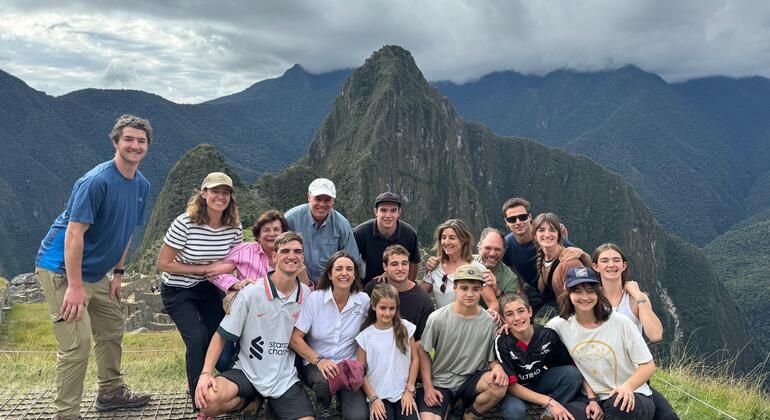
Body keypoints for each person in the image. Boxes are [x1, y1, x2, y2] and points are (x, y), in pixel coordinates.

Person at [35, 114, 153, 419]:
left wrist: (118, 274)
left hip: (96, 273)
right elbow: (74, 233)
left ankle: (111, 393)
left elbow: (125, 231)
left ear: (147, 146)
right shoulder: (96, 181)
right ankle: (67, 414)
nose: (135, 145)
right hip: (61, 269)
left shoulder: (141, 185)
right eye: (128, 139)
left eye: (141, 141)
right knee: (77, 344)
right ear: (115, 142)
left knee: (113, 326)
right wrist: (74, 287)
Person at [193, 232, 314, 419]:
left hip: (284, 377)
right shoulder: (252, 292)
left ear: (302, 258)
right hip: (247, 370)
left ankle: (267, 403)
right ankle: (251, 402)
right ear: (274, 257)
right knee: (207, 401)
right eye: (285, 251)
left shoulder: (306, 296)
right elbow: (221, 335)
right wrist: (206, 373)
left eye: (297, 251)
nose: (292, 256)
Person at [156, 172, 243, 409]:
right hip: (177, 289)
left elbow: (234, 260)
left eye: (226, 192)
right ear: (204, 194)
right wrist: (204, 269)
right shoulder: (185, 223)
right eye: (215, 191)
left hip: (208, 289)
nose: (220, 197)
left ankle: (228, 384)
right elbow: (163, 263)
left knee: (223, 335)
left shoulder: (234, 226)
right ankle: (198, 397)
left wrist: (233, 280)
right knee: (197, 338)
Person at [547, 267, 657, 420]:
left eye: (590, 291)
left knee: (619, 406)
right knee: (563, 416)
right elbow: (535, 339)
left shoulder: (619, 322)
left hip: (631, 395)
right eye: (577, 291)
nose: (585, 297)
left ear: (598, 292)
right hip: (589, 398)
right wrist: (508, 328)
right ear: (568, 293)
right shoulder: (559, 325)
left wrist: (628, 386)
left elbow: (648, 365)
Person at [592, 243, 679, 420]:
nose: (611, 265)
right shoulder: (590, 299)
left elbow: (655, 335)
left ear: (624, 266)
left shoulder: (634, 299)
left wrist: (639, 296)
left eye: (616, 260)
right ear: (595, 266)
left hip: (634, 377)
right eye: (605, 260)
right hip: (602, 375)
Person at [417, 264, 508, 420]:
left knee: (499, 385)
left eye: (475, 289)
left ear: (481, 290)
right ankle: (452, 404)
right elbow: (423, 351)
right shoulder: (438, 318)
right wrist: (428, 387)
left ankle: (469, 414)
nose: (470, 294)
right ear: (455, 287)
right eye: (464, 288)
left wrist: (498, 368)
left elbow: (491, 358)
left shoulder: (488, 321)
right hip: (442, 381)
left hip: (471, 380)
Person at [291, 251, 370, 420]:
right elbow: (295, 338)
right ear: (330, 274)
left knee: (358, 417)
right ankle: (323, 403)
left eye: (349, 269)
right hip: (317, 363)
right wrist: (319, 360)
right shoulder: (315, 299)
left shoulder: (363, 301)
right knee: (322, 383)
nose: (344, 273)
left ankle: (343, 399)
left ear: (355, 274)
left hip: (348, 365)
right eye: (339, 269)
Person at [494, 293, 585, 420]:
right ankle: (549, 404)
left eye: (521, 311)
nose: (517, 318)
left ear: (530, 311)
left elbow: (565, 367)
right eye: (509, 314)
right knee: (515, 412)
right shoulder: (502, 341)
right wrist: (548, 400)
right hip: (516, 390)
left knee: (572, 374)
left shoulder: (547, 335)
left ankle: (547, 415)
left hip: (539, 380)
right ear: (503, 319)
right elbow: (511, 386)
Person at [207, 210, 310, 310]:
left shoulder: (292, 256)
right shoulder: (243, 250)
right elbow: (214, 273)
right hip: (249, 309)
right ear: (258, 235)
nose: (272, 234)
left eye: (276, 229)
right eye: (266, 230)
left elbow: (306, 295)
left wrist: (305, 280)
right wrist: (237, 284)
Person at [501, 198, 587, 315]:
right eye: (512, 219)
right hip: (535, 290)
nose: (518, 222)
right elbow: (512, 271)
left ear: (530, 217)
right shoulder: (507, 245)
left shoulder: (548, 237)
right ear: (506, 222)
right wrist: (521, 293)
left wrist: (581, 253)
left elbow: (577, 259)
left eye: (522, 217)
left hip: (560, 291)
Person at [356, 283, 420, 420]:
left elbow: (415, 360)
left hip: (403, 393)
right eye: (383, 308)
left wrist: (410, 390)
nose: (387, 313)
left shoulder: (406, 328)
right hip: (379, 396)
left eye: (392, 308)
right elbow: (361, 373)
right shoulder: (365, 337)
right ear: (374, 307)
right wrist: (373, 399)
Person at [285, 178, 361, 284]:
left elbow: (353, 261)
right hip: (296, 283)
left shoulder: (342, 225)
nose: (322, 204)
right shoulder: (291, 219)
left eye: (327, 200)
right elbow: (278, 252)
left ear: (333, 201)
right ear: (309, 197)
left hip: (330, 286)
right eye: (318, 199)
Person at [421, 219, 499, 313]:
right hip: (442, 324)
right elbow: (420, 294)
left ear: (463, 240)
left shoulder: (477, 268)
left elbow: (493, 304)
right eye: (443, 237)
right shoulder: (436, 267)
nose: (446, 242)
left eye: (452, 238)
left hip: (468, 324)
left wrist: (483, 321)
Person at [364, 245, 433, 341]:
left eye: (404, 263)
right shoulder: (372, 289)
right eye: (394, 264)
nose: (400, 268)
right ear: (385, 267)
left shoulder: (423, 300)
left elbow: (421, 342)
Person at [354, 192, 421, 285]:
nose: (388, 215)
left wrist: (407, 286)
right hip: (366, 287)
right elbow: (351, 262)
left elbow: (414, 262)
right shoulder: (361, 233)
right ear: (376, 212)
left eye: (393, 210)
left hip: (398, 288)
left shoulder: (409, 234)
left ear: (399, 213)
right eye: (383, 210)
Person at [533, 213, 585, 306]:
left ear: (559, 235)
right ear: (535, 236)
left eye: (552, 230)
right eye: (541, 230)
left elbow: (582, 298)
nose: (547, 234)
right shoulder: (544, 259)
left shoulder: (570, 262)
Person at [473, 227, 523, 307]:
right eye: (488, 248)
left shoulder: (510, 279)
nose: (492, 253)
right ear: (479, 248)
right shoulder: (465, 262)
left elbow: (511, 309)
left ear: (503, 252)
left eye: (497, 249)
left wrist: (497, 291)